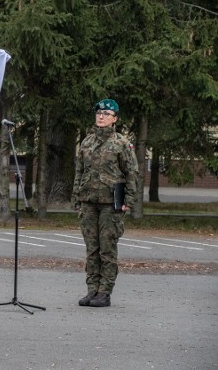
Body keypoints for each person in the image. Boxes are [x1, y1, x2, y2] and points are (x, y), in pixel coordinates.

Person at [72, 98, 138, 308]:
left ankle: (105, 292)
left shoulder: (121, 143)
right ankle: (92, 290)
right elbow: (79, 171)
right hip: (89, 200)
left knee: (107, 249)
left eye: (106, 114)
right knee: (92, 248)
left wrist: (128, 200)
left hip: (112, 202)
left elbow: (131, 173)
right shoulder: (87, 142)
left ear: (115, 119)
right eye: (99, 113)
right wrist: (76, 197)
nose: (101, 116)